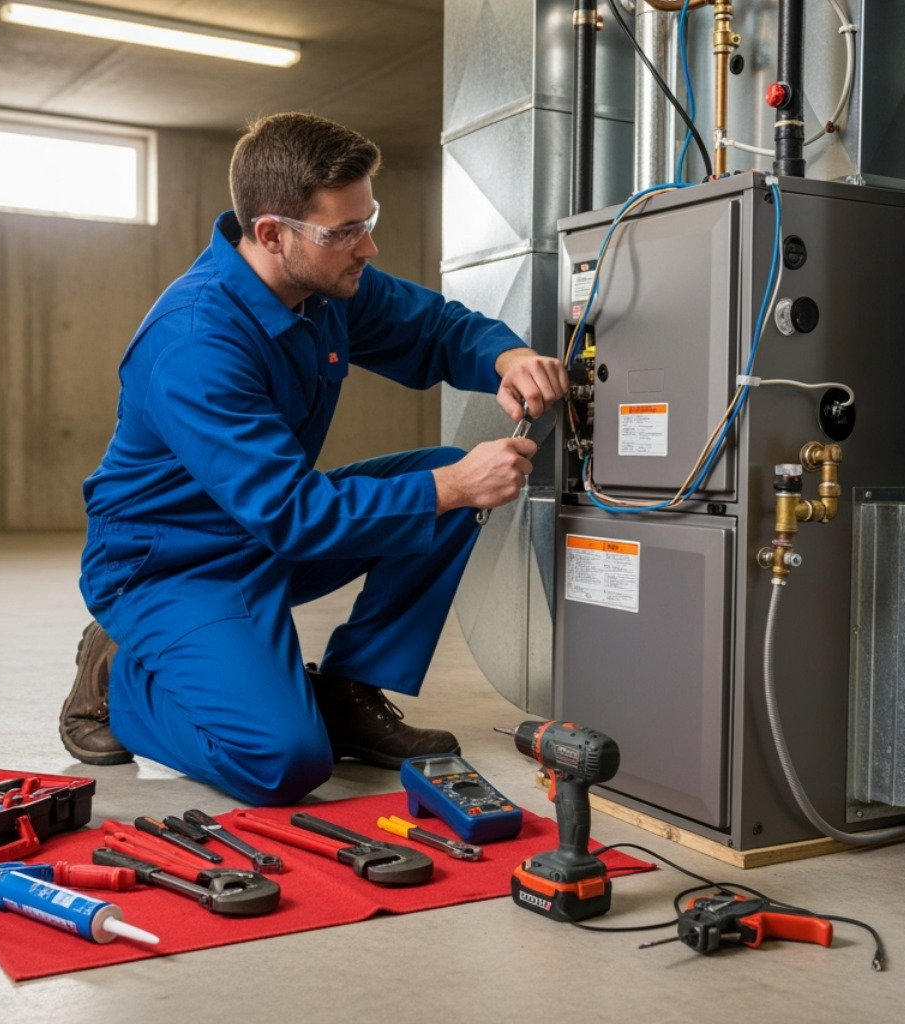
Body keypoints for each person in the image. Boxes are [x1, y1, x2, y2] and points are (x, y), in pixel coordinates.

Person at [59, 112, 565, 807]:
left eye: (368, 219)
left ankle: (348, 689)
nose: (369, 246)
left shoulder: (320, 286)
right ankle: (123, 678)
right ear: (271, 233)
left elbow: (435, 328)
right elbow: (292, 515)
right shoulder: (195, 343)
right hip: (173, 566)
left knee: (451, 482)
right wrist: (447, 487)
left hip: (265, 532)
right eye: (344, 232)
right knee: (281, 763)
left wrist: (507, 356)